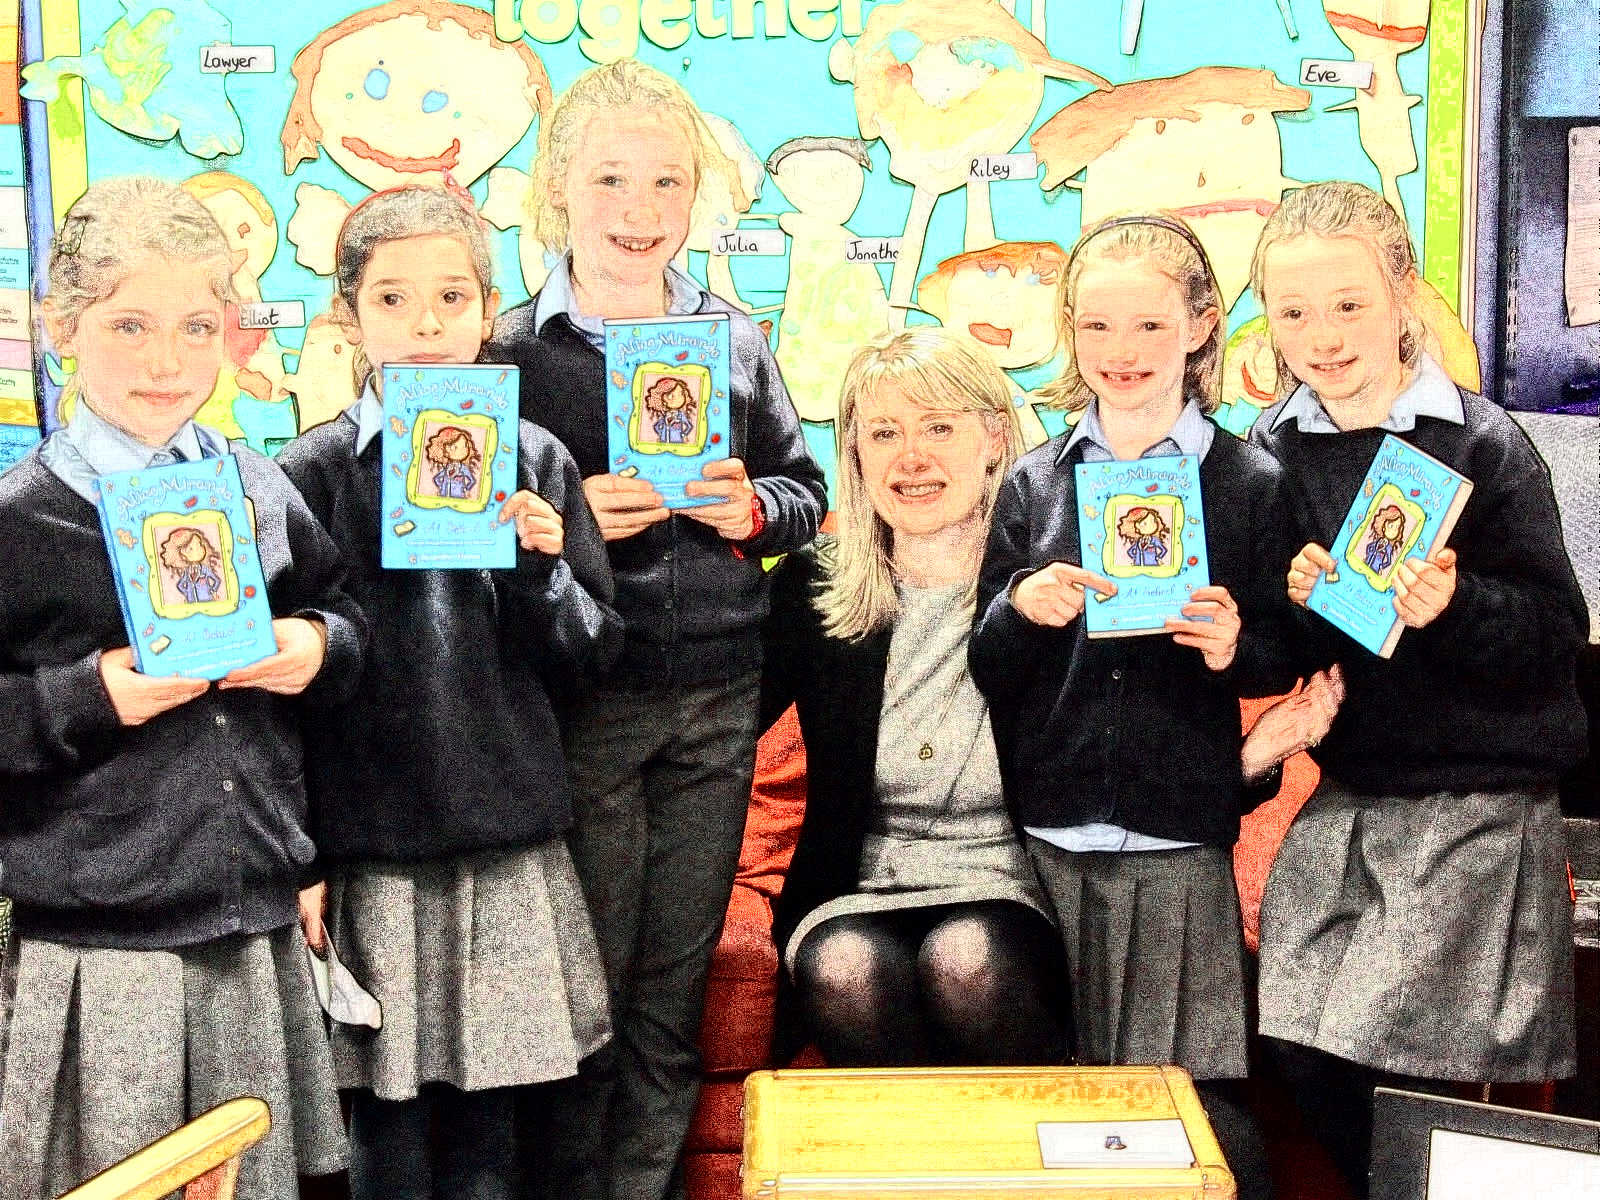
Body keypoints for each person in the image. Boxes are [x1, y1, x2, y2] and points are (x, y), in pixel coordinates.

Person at [485, 59, 826, 1200]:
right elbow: (468, 535)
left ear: (696, 197)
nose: (640, 210)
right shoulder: (505, 353)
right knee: (589, 992)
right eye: (611, 180)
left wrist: (752, 509)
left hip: (719, 701)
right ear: (557, 189)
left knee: (670, 999)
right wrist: (571, 515)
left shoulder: (732, 336)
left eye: (667, 182)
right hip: (586, 702)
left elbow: (805, 490)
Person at [0, 175, 363, 1200]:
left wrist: (315, 646)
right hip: (104, 941)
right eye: (130, 326)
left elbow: (345, 625)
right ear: (63, 328)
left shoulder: (259, 488)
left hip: (250, 928)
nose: (166, 362)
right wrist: (88, 696)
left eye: (197, 327)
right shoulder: (21, 519)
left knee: (258, 1178)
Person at [276, 185, 621, 1200]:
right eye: (392, 299)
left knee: (491, 1138)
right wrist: (302, 855)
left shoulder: (537, 459)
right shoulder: (307, 474)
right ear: (348, 317)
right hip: (372, 848)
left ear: (487, 310)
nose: (425, 324)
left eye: (450, 297)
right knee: (384, 1132)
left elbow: (591, 658)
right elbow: (276, 699)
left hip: (504, 840)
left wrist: (540, 569)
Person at [1248, 180, 1589, 1197]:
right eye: (1293, 311)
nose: (1322, 335)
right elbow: (1282, 655)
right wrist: (1288, 600)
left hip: (1476, 805)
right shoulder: (1271, 449)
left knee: (1398, 1054)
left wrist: (1457, 603)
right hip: (1350, 800)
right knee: (1296, 1034)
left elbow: (1552, 634)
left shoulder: (1482, 442)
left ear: (1403, 293)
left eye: (1348, 303)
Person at [970, 213, 1299, 1200]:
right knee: (1050, 1107)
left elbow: (1282, 651)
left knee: (1181, 1111)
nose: (1122, 350)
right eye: (1098, 326)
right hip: (1048, 834)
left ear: (1199, 328)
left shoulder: (1249, 481)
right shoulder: (1035, 480)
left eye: (1150, 325)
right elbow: (988, 664)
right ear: (1071, 330)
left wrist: (1235, 646)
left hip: (1177, 837)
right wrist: (1022, 610)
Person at [761, 327, 1068, 1069]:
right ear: (855, 455)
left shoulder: (1051, 584)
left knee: (965, 963)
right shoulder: (813, 584)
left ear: (994, 440)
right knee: (845, 971)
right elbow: (716, 717)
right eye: (884, 433)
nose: (911, 457)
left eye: (938, 427)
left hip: (1012, 885)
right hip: (859, 887)